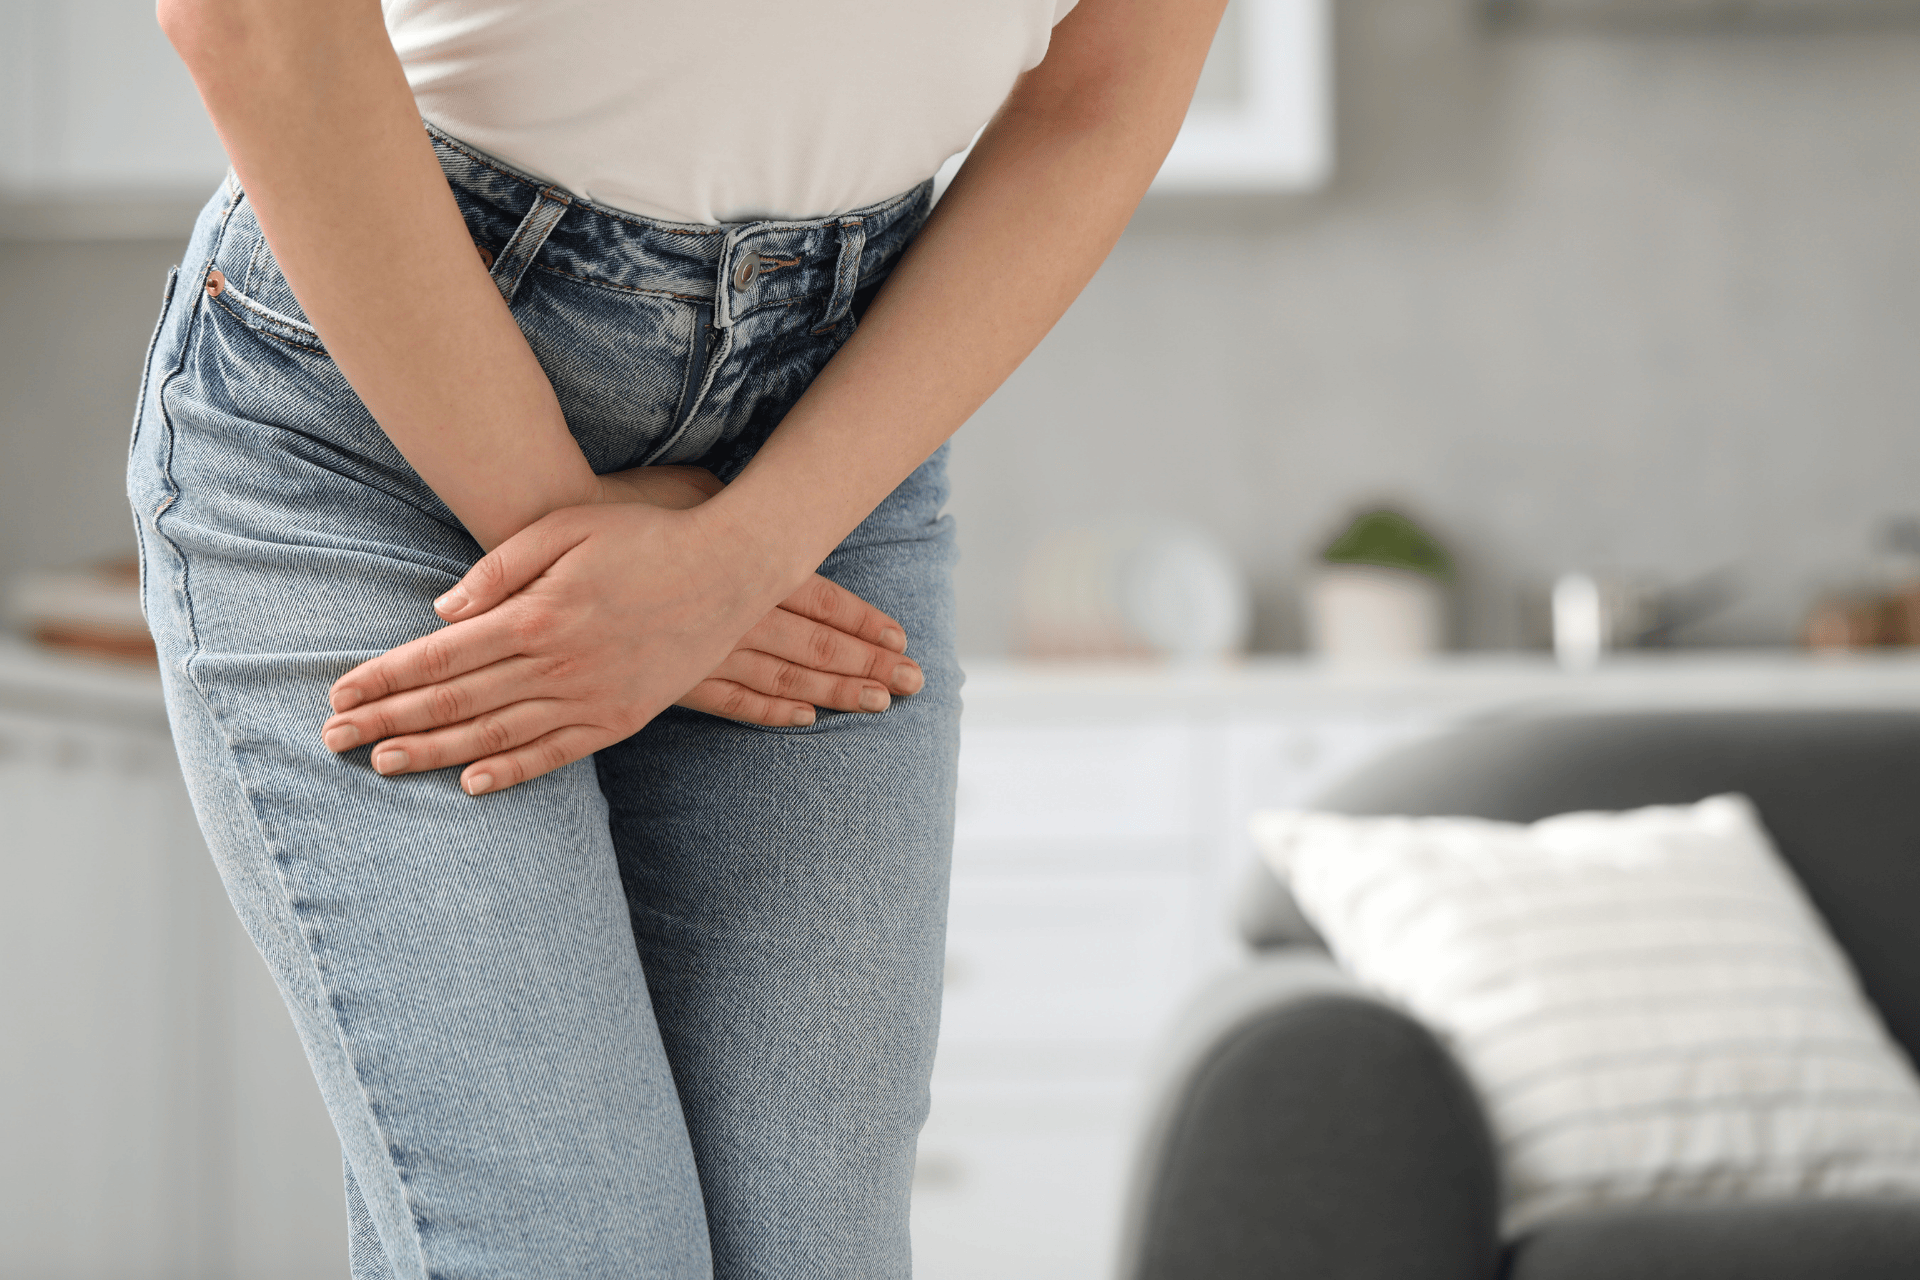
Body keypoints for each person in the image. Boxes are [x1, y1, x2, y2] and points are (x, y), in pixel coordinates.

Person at [130, 0, 1226, 1275]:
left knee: (811, 1248)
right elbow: (256, 24)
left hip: (827, 419)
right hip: (373, 413)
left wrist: (735, 563)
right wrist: (620, 579)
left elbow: (1098, 97)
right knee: (565, 1244)